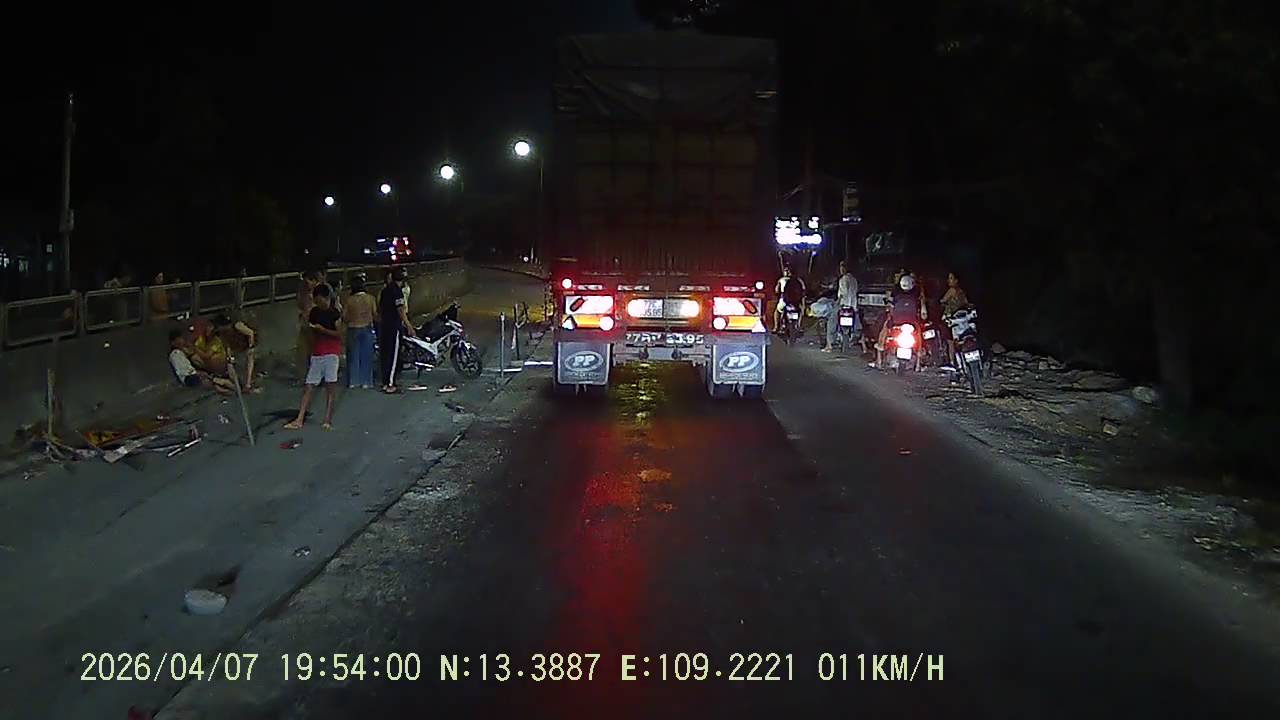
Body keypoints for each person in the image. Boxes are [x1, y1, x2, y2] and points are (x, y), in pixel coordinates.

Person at [285, 284, 342, 430]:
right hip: (317, 352)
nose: (318, 303)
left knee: (330, 386)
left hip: (331, 353)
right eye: (316, 301)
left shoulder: (335, 313)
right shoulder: (314, 313)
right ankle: (299, 419)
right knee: (309, 386)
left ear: (326, 298)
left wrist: (323, 330)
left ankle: (327, 419)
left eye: (320, 300)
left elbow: (340, 334)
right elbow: (310, 333)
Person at [379, 267, 416, 393]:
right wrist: (409, 326)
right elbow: (400, 310)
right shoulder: (397, 292)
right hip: (394, 326)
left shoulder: (385, 290)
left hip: (384, 326)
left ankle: (386, 381)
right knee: (393, 355)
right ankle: (390, 384)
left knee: (386, 354)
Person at [875, 272, 923, 369]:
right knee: (919, 335)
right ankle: (918, 364)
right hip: (910, 322)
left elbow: (890, 305)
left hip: (898, 321)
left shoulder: (898, 292)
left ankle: (879, 359)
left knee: (884, 330)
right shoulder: (915, 292)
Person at [168, 329, 234, 395]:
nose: (182, 341)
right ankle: (231, 390)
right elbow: (185, 370)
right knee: (218, 384)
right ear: (174, 342)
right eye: (179, 340)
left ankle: (229, 388)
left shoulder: (181, 352)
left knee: (219, 383)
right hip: (190, 378)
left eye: (181, 339)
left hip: (192, 376)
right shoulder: (176, 354)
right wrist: (199, 373)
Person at [343, 274, 377, 388]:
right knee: (367, 356)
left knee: (353, 356)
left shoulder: (349, 300)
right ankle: (366, 381)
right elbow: (375, 314)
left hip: (353, 328)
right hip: (367, 328)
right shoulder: (370, 298)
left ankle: (353, 381)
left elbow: (345, 317)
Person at [212, 313, 260, 392]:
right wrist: (229, 358)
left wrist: (251, 347)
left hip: (247, 343)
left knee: (249, 359)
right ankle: (238, 383)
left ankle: (248, 384)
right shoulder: (222, 333)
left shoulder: (237, 325)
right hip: (237, 346)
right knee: (232, 364)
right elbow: (227, 345)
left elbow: (250, 333)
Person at [823, 260, 859, 352]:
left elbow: (843, 294)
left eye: (842, 267)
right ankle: (861, 343)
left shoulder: (843, 279)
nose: (841, 269)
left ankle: (829, 345)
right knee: (858, 324)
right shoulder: (854, 279)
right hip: (853, 307)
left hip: (843, 305)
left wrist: (837, 303)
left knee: (831, 322)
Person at [296, 270, 323, 382]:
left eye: (309, 282)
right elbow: (300, 307)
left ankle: (318, 375)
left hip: (317, 326)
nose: (307, 284)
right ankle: (305, 375)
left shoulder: (321, 293)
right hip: (306, 325)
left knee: (317, 352)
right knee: (304, 351)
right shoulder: (304, 293)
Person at [773, 266, 806, 332]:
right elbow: (803, 289)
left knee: (777, 311)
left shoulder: (781, 279)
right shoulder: (799, 280)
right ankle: (799, 326)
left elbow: (776, 290)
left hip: (784, 300)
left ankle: (776, 327)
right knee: (801, 311)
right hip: (795, 301)